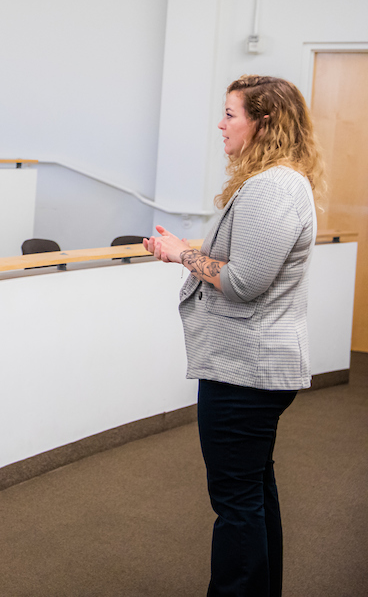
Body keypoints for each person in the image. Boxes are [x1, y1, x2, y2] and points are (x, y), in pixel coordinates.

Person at [144, 75, 324, 597]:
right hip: (251, 367)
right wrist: (191, 248)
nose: (220, 125)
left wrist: (181, 254)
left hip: (246, 371)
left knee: (237, 503)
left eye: (230, 114)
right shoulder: (279, 181)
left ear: (262, 122)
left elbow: (243, 283)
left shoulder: (272, 186)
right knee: (252, 493)